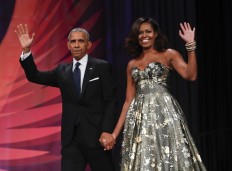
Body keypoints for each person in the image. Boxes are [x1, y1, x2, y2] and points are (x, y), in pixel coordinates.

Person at [104, 17, 207, 170]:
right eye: (140, 33)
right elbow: (128, 100)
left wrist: (190, 46)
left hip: (164, 114)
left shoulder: (168, 54)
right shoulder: (132, 64)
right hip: (139, 119)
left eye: (148, 32)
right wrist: (114, 134)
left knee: (168, 156)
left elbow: (190, 75)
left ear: (156, 34)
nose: (144, 35)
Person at [15, 24, 117, 171]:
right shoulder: (62, 70)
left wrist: (107, 130)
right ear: (68, 45)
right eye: (73, 42)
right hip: (71, 141)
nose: (76, 45)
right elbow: (34, 76)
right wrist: (26, 50)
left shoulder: (102, 67)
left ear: (88, 45)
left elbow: (110, 101)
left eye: (80, 41)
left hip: (97, 138)